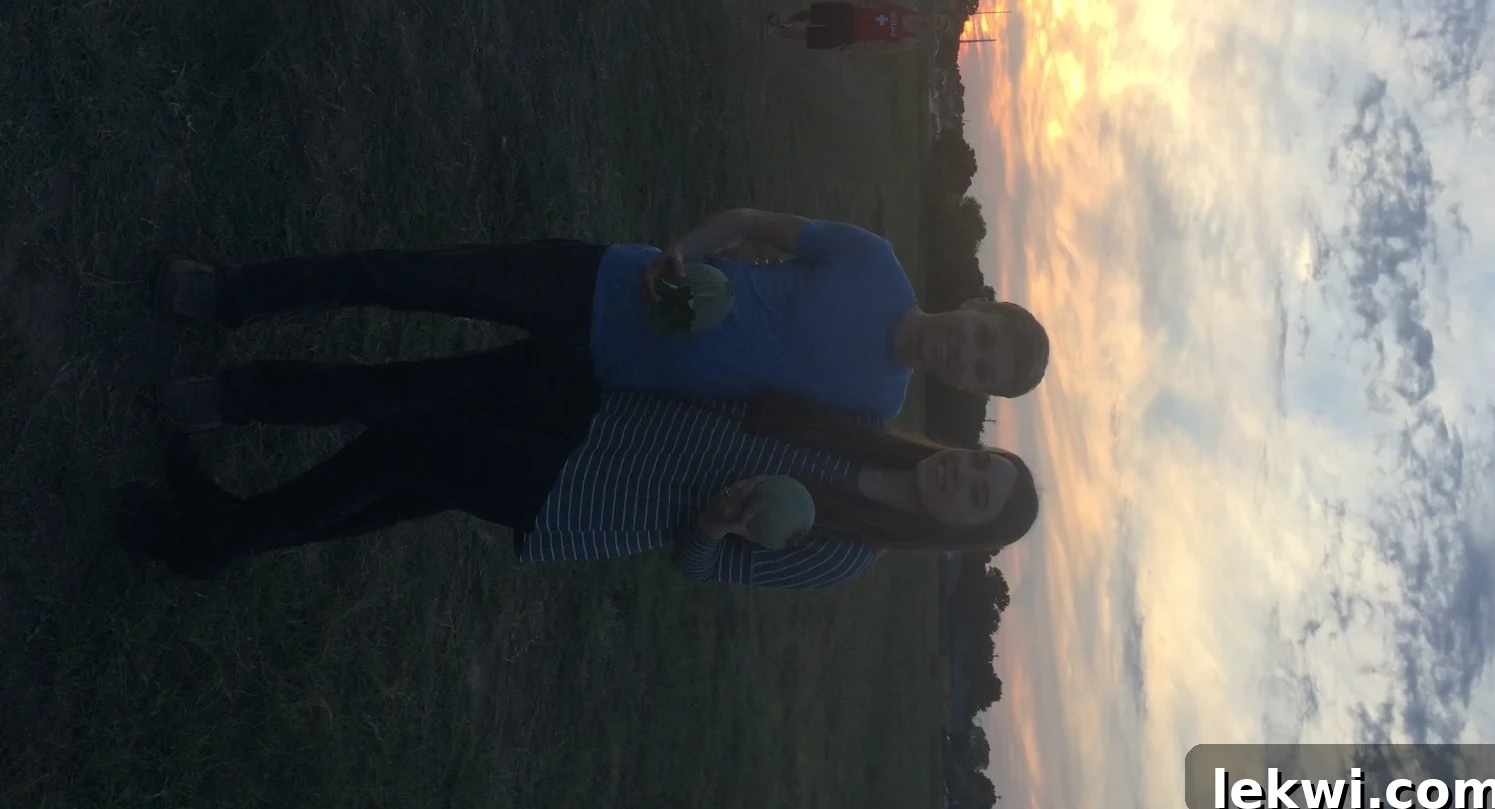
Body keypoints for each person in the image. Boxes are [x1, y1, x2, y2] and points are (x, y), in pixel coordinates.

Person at [116, 355, 1040, 588]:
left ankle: (218, 540)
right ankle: (232, 527)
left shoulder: (848, 556)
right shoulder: (864, 429)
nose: (960, 480)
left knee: (406, 448)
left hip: (588, 497)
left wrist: (713, 523)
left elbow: (699, 567)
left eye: (975, 500)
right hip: (601, 420)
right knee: (409, 488)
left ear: (960, 530)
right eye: (975, 466)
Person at [150, 209, 1049, 430]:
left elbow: (745, 432)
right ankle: (233, 295)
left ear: (971, 389)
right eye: (982, 335)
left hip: (599, 384)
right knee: (399, 278)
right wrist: (684, 254)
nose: (966, 352)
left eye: (980, 368)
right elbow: (748, 223)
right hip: (595, 284)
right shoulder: (873, 261)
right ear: (976, 305)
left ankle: (234, 399)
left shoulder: (874, 412)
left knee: (400, 398)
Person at [766, 3, 946, 53]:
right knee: (816, 12)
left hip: (854, 34)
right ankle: (787, 20)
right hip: (854, 13)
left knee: (812, 36)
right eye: (937, 17)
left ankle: (778, 33)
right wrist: (867, 4)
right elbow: (885, 3)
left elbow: (881, 48)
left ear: (933, 31)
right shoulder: (910, 7)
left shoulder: (909, 39)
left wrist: (857, 46)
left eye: (937, 24)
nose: (934, 20)